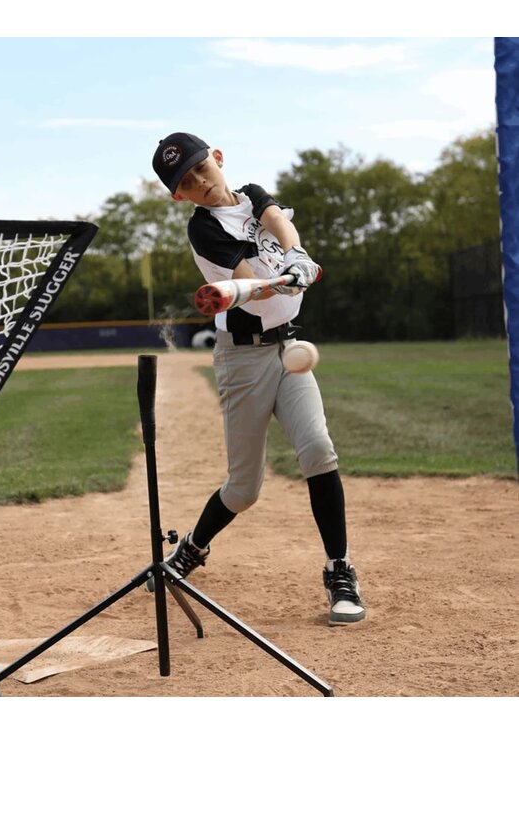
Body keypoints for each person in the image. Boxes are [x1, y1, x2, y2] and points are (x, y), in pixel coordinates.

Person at [150, 132, 366, 626]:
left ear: (218, 159)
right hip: (242, 362)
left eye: (202, 168)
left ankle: (340, 571)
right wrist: (284, 278)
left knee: (318, 449)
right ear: (177, 195)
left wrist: (297, 255)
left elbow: (275, 221)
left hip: (289, 351)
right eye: (186, 181)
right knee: (244, 488)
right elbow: (258, 291)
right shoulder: (202, 230)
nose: (200, 181)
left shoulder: (250, 193)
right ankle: (192, 548)